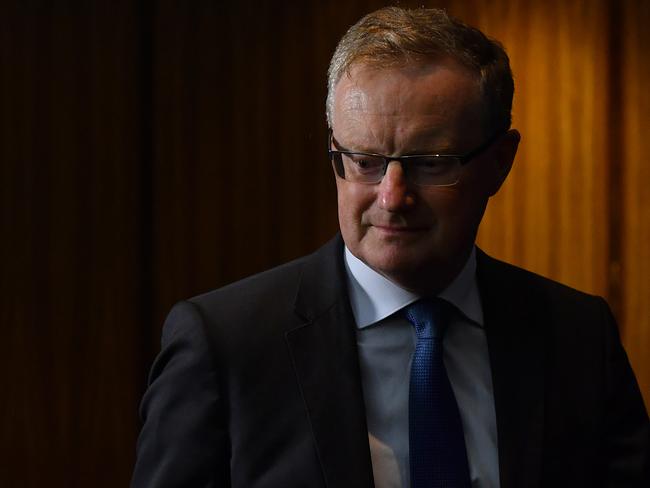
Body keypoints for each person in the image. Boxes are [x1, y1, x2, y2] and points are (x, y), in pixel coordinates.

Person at [132, 7, 649, 488]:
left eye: (430, 163)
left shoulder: (577, 337)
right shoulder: (224, 346)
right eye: (364, 161)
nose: (392, 196)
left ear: (499, 163)